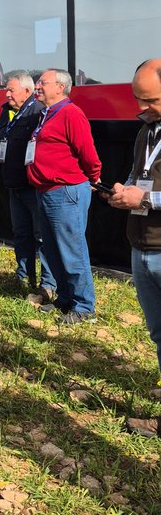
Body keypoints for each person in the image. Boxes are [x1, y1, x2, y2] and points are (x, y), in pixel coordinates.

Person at [107, 59, 161, 430]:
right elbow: (137, 174)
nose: (141, 108)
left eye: (150, 100)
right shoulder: (146, 130)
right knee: (158, 334)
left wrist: (143, 201)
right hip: (141, 246)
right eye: (138, 99)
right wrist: (122, 190)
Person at [26, 69, 101, 324]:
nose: (37, 86)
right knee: (54, 249)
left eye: (42, 83)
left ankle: (84, 307)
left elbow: (87, 151)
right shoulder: (46, 113)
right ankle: (66, 299)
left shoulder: (70, 112)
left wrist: (94, 177)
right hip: (46, 191)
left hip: (65, 191)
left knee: (71, 249)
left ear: (60, 87)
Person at [0, 71, 57, 305]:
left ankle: (48, 284)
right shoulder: (7, 111)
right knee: (20, 234)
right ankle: (23, 277)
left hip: (33, 186)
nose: (7, 93)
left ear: (27, 90)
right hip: (14, 184)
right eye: (6, 89)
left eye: (11, 90)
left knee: (41, 236)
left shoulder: (37, 111)